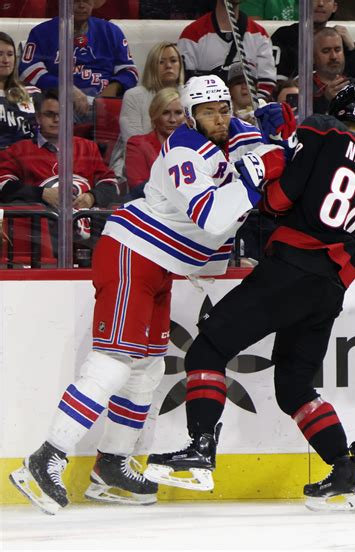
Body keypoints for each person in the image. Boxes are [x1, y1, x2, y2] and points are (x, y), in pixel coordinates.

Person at [8, 75, 286, 515]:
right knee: (114, 362)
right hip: (131, 252)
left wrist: (269, 142)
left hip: (160, 265)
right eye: (210, 111)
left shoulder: (222, 147)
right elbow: (213, 216)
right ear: (192, 115)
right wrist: (257, 170)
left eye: (224, 109)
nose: (220, 117)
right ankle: (46, 459)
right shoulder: (183, 151)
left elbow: (248, 175)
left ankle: (112, 466)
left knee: (148, 369)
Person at [144, 85, 355, 513]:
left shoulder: (323, 135)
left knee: (208, 349)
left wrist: (274, 175)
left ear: (335, 113)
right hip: (331, 288)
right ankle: (344, 469)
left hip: (291, 268)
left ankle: (199, 451)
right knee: (294, 385)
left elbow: (279, 199)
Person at [19, 0, 138, 122]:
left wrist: (108, 93)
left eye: (86, 1)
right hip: (61, 104)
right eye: (75, 1)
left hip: (105, 105)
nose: (81, 6)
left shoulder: (111, 31)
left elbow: (130, 71)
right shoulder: (42, 32)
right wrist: (66, 89)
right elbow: (28, 70)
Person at [0, 90, 118, 210]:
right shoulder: (19, 150)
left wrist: (91, 197)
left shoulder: (88, 147)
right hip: (39, 223)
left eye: (61, 114)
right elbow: (3, 186)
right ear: (38, 118)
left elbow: (111, 184)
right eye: (49, 114)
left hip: (84, 221)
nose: (56, 119)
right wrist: (41, 194)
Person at [111, 42, 184, 181]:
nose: (169, 66)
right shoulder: (133, 96)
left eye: (173, 61)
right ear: (151, 66)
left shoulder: (188, 94)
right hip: (140, 165)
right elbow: (134, 143)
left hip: (181, 164)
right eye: (161, 62)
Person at [177, 0, 277, 100]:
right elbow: (186, 86)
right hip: (208, 110)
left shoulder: (260, 35)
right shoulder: (192, 34)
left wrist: (254, 109)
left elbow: (267, 85)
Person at [272, 0, 355, 82]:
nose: (321, 3)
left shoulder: (338, 39)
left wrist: (352, 48)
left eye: (327, 0)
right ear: (303, 4)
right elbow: (276, 83)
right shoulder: (284, 36)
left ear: (334, 7)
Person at [125, 88, 184, 193]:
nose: (172, 119)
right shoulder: (137, 145)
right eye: (165, 113)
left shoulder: (194, 146)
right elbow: (137, 188)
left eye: (178, 113)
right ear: (154, 115)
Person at [0, 33, 42, 151]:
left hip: (29, 157)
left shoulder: (32, 92)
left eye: (10, 54)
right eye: (0, 54)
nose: (6, 60)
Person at [311, 27, 355, 114]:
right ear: (312, 56)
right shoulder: (302, 88)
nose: (333, 56)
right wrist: (325, 100)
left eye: (337, 50)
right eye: (326, 51)